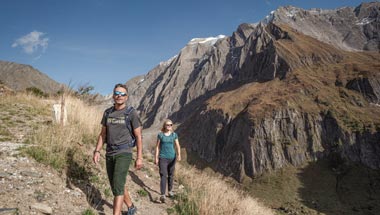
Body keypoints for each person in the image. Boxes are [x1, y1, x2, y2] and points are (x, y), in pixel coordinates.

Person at [93, 83, 143, 215]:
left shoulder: (131, 113)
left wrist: (139, 157)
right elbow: (103, 134)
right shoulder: (108, 113)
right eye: (117, 93)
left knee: (118, 185)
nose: (119, 96)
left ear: (126, 97)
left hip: (124, 152)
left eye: (122, 94)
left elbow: (138, 136)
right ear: (113, 96)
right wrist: (97, 150)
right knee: (116, 184)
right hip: (109, 152)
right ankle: (131, 207)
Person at [154, 119, 181, 203]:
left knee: (171, 175)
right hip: (163, 158)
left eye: (171, 125)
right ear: (164, 126)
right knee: (163, 175)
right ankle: (162, 194)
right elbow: (157, 147)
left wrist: (179, 154)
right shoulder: (160, 135)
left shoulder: (174, 135)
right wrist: (156, 157)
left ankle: (170, 191)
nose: (169, 126)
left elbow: (177, 145)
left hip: (172, 158)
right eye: (167, 125)